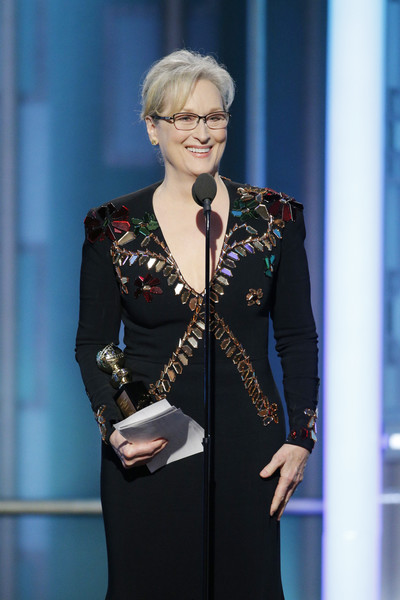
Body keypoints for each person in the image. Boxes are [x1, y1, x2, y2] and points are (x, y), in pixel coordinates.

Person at [76, 49, 319, 600]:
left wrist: (301, 438)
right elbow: (93, 342)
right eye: (184, 118)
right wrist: (117, 426)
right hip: (150, 452)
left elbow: (298, 337)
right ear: (152, 128)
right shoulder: (111, 227)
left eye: (214, 116)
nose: (201, 132)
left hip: (251, 459)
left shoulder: (275, 218)